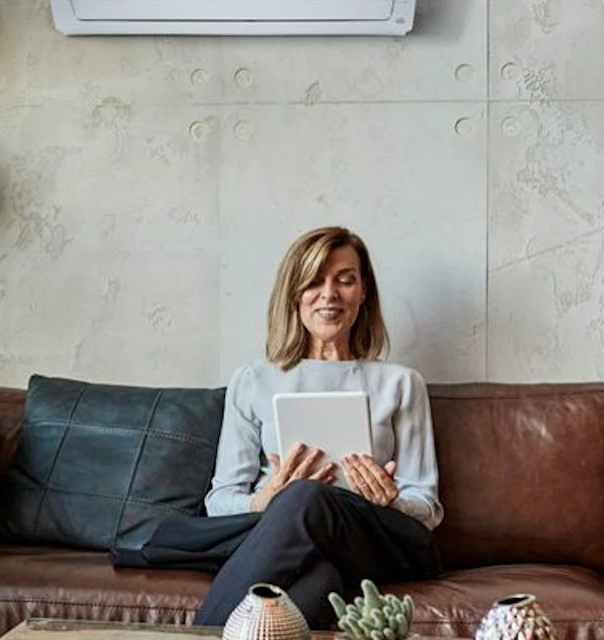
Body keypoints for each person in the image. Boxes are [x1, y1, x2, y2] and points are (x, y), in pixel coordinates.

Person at [111, 226, 443, 630]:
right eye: (314, 281)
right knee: (321, 581)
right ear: (295, 295)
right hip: (285, 537)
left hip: (374, 539)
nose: (329, 294)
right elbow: (221, 501)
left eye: (345, 280)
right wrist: (267, 499)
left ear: (363, 293)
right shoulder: (254, 380)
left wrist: (390, 501)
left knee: (307, 496)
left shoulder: (401, 383)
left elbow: (427, 507)